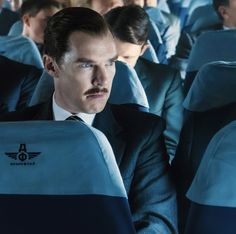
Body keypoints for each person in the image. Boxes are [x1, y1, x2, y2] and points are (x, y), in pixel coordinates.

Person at [0, 7, 177, 233]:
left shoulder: (142, 134)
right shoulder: (11, 132)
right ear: (51, 65)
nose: (102, 79)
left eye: (110, 63)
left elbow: (157, 223)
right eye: (86, 65)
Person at [105, 5, 184, 160]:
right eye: (111, 57)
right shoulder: (85, 75)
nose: (118, 66)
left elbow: (170, 144)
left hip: (144, 166)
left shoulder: (165, 81)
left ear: (143, 50)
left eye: (127, 58)